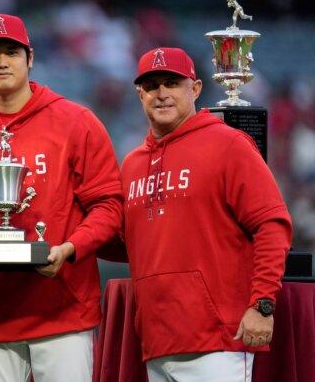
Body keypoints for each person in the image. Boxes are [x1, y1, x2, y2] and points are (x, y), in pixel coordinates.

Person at [0, 14, 123, 382]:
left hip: (64, 310)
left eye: (11, 52)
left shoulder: (76, 122)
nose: (2, 61)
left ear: (30, 57)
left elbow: (108, 206)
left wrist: (70, 247)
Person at [121, 47, 292, 381]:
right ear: (140, 94)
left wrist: (262, 304)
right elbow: (124, 242)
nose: (162, 93)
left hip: (218, 340)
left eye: (171, 83)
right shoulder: (131, 164)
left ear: (195, 89)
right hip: (158, 339)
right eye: (152, 85)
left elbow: (272, 225)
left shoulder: (229, 145)